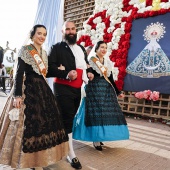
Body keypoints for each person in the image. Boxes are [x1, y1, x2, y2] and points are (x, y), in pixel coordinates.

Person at [0, 24, 69, 169]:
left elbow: (46, 72)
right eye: (39, 33)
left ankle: (40, 159)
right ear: (33, 35)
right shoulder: (26, 50)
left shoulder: (43, 52)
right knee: (30, 125)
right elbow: (19, 73)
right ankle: (30, 161)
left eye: (44, 34)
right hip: (28, 89)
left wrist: (63, 72)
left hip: (42, 89)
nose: (42, 37)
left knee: (44, 124)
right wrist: (17, 95)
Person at [47, 20, 94, 169]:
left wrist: (90, 73)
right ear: (63, 32)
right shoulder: (56, 48)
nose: (71, 31)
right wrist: (66, 74)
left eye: (73, 28)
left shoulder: (80, 48)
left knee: (68, 119)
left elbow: (85, 65)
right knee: (67, 120)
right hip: (63, 88)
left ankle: (57, 147)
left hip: (77, 89)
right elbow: (48, 69)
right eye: (67, 29)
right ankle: (71, 154)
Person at [72, 41, 129, 151]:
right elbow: (86, 72)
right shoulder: (91, 60)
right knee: (96, 114)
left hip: (106, 91)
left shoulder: (107, 62)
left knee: (105, 114)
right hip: (94, 91)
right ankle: (96, 139)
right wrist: (89, 74)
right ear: (96, 49)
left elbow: (111, 79)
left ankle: (101, 136)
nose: (103, 49)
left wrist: (118, 92)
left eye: (105, 47)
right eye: (101, 47)